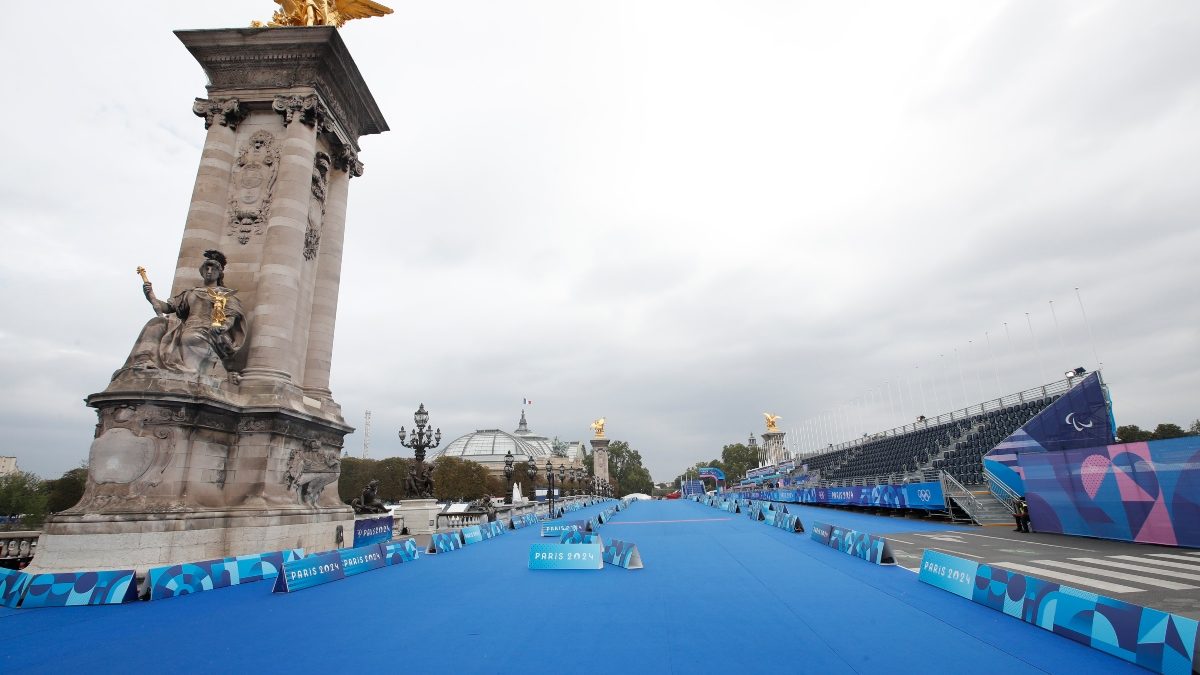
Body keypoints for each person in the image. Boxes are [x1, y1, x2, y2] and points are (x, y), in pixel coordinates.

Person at [124, 250, 246, 376]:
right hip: (187, 327)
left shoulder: (225, 295)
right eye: (206, 268)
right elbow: (167, 307)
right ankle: (145, 360)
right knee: (156, 322)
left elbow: (230, 317)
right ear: (202, 271)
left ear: (219, 273)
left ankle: (183, 370)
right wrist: (150, 295)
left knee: (190, 337)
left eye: (213, 269)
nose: (209, 271)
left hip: (209, 330)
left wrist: (222, 327)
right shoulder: (191, 293)